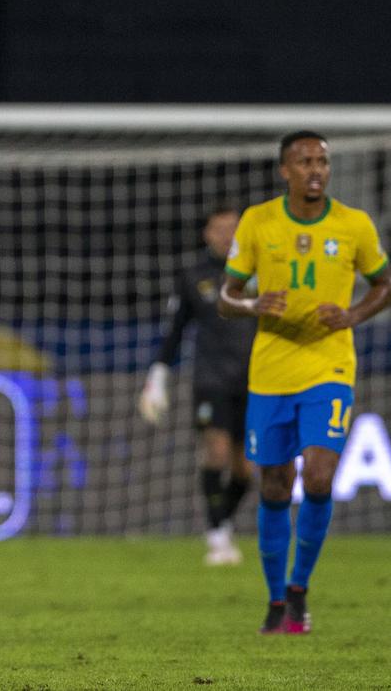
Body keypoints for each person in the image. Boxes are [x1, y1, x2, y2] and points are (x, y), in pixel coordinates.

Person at [218, 131, 391, 635]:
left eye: (322, 161)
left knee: (318, 476)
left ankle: (300, 589)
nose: (316, 169)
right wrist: (253, 304)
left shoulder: (354, 225)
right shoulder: (258, 222)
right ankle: (276, 602)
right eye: (305, 161)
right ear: (285, 171)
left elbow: (386, 284)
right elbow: (225, 298)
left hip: (329, 368)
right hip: (271, 371)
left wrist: (354, 314)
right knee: (275, 484)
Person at [138, 205, 256, 565]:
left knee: (245, 470)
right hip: (211, 379)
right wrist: (157, 376)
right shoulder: (194, 276)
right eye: (220, 229)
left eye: (234, 229)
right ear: (207, 233)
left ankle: (224, 525)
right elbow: (174, 331)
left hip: (255, 381)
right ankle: (217, 533)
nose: (227, 235)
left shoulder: (261, 272)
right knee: (216, 453)